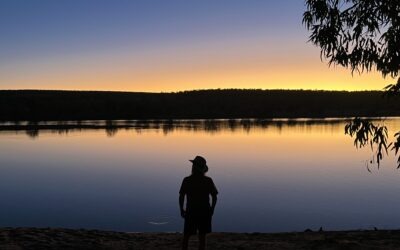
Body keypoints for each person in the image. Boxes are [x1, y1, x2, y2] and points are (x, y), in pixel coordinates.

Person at [179, 156, 218, 250]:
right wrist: (212, 209)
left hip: (191, 212)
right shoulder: (208, 181)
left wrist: (181, 209)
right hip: (204, 212)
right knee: (202, 238)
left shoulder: (187, 180)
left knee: (187, 237)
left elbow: (181, 196)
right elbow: (214, 196)